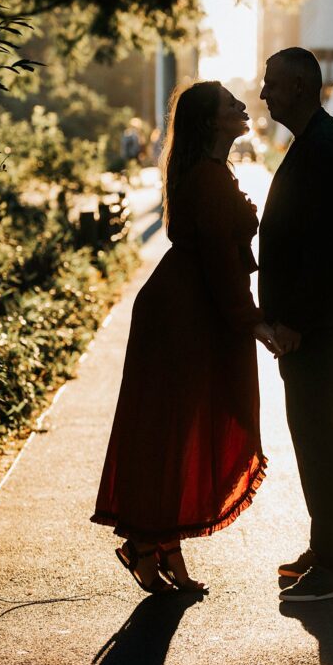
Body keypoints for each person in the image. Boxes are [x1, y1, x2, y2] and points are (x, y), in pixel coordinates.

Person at [91, 81, 281, 594]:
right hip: (185, 315)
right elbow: (221, 259)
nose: (244, 107)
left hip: (190, 310)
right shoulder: (206, 177)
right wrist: (254, 321)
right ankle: (148, 544)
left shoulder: (211, 171)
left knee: (177, 429)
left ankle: (157, 544)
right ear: (210, 121)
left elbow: (221, 257)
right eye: (230, 105)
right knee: (173, 429)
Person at [259, 47, 333, 602]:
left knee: (317, 438)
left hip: (316, 322)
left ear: (301, 86)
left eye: (272, 84)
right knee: (311, 436)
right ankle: (325, 548)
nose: (264, 94)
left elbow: (323, 248)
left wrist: (295, 321)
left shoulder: (324, 146)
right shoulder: (316, 142)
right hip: (311, 320)